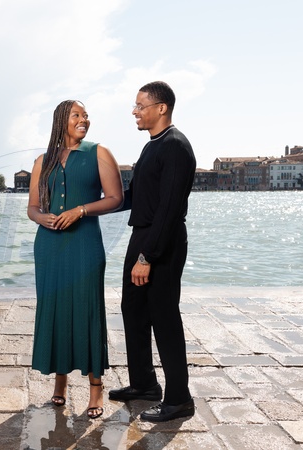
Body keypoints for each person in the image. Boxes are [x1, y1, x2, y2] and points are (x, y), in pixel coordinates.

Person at [28, 99, 123, 419]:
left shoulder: (100, 153)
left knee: (88, 310)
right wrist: (41, 218)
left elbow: (116, 198)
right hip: (49, 245)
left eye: (86, 115)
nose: (84, 119)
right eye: (76, 115)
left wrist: (81, 210)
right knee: (56, 311)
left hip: (85, 244)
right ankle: (60, 383)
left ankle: (96, 389)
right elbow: (32, 207)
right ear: (61, 121)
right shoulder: (43, 160)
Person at [108, 81, 197, 422]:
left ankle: (179, 399)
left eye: (140, 105)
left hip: (164, 242)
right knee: (132, 309)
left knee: (164, 316)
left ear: (161, 108)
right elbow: (134, 198)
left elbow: (169, 209)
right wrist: (88, 207)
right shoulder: (151, 147)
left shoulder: (175, 146)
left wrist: (147, 257)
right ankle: (144, 384)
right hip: (142, 236)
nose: (135, 111)